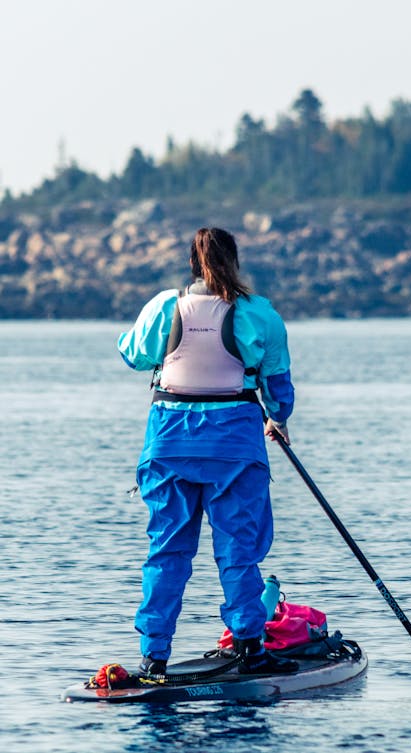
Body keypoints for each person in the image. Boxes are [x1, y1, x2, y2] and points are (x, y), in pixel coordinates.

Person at [118, 227, 297, 677]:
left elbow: (133, 355)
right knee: (238, 551)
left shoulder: (164, 306)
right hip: (235, 446)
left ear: (192, 265)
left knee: (167, 551)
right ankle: (250, 648)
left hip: (169, 444)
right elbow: (278, 389)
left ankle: (153, 657)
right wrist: (277, 418)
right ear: (234, 263)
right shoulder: (260, 314)